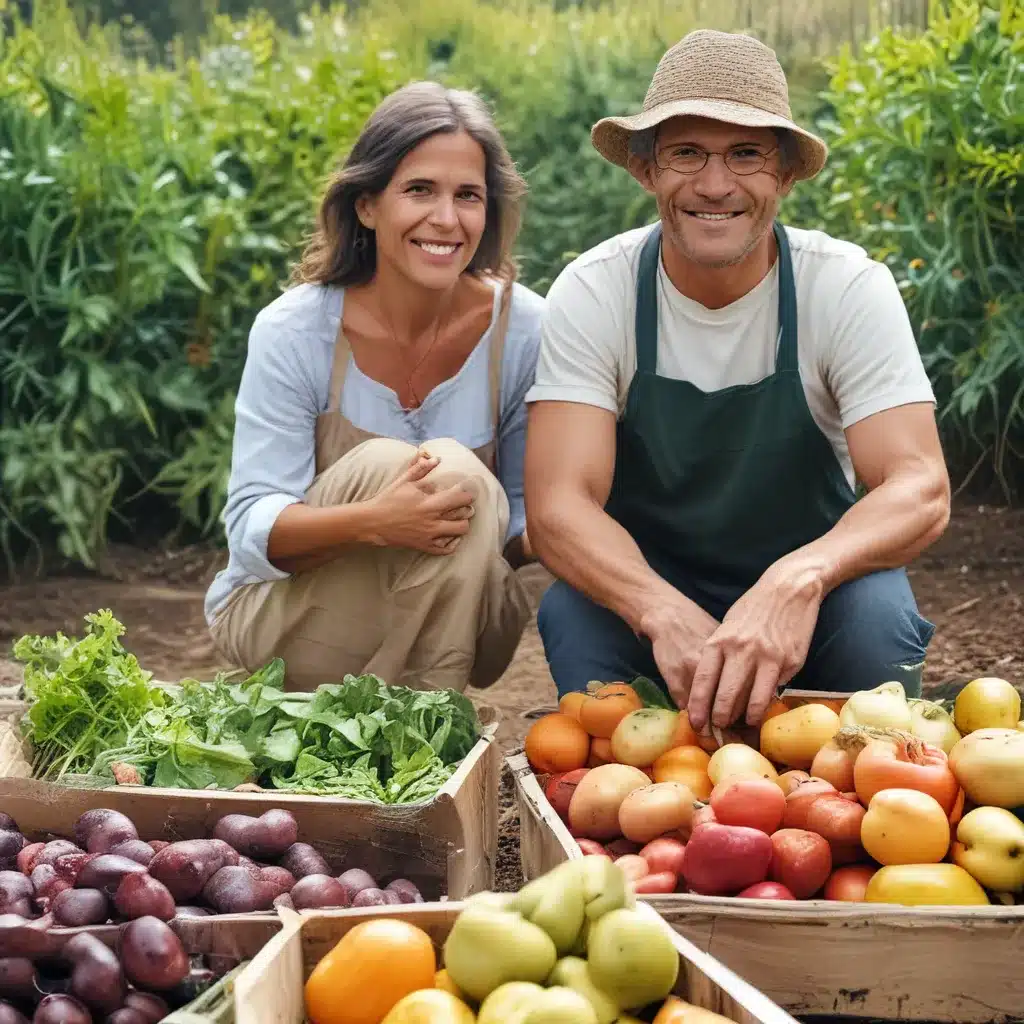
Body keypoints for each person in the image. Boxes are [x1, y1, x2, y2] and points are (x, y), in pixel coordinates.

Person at [523, 30, 950, 733]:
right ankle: (631, 811)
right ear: (645, 171)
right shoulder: (597, 293)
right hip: (656, 587)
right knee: (574, 612)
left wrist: (796, 581)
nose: (715, 185)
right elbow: (558, 507)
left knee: (879, 617)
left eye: (746, 153)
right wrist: (659, 610)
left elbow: (919, 484)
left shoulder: (843, 289)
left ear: (784, 175)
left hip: (817, 589)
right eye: (686, 153)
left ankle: (863, 799)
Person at [205, 81, 543, 693]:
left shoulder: (524, 330)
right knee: (421, 465)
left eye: (468, 195)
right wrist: (375, 521)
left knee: (453, 474)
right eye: (419, 190)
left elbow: (524, 522)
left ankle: (377, 735)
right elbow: (252, 526)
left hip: (466, 615)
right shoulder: (296, 329)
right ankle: (422, 728)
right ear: (367, 205)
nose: (446, 219)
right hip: (289, 623)